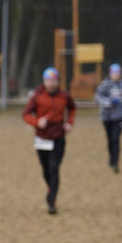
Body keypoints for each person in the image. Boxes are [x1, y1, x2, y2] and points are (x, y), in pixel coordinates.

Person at [22, 67, 76, 214]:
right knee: (46, 170)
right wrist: (37, 122)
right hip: (42, 138)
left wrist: (69, 123)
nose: (51, 83)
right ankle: (51, 187)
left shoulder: (64, 96)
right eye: (48, 80)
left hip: (58, 137)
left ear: (57, 81)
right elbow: (26, 114)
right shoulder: (37, 96)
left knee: (54, 168)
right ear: (43, 81)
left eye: (53, 80)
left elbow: (72, 108)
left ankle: (51, 201)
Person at [94, 63, 122, 172]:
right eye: (114, 73)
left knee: (116, 138)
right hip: (107, 117)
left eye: (118, 73)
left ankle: (115, 162)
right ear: (110, 73)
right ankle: (111, 158)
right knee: (110, 139)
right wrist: (109, 102)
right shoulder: (104, 84)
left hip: (119, 116)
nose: (116, 75)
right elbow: (98, 97)